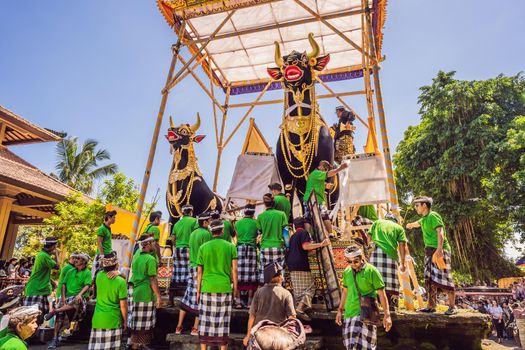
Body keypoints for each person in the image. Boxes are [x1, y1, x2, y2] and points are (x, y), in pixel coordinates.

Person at [406, 196, 457, 315]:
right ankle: (431, 306)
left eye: (417, 205)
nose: (415, 208)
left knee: (445, 277)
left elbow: (441, 232)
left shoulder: (433, 215)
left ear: (424, 205)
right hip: (429, 251)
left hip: (440, 250)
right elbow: (416, 224)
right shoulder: (423, 219)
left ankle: (452, 307)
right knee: (429, 279)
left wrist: (439, 249)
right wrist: (409, 225)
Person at [335, 245, 392, 350]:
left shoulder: (372, 271)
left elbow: (381, 293)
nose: (353, 264)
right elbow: (345, 291)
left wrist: (387, 315)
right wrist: (339, 310)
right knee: (351, 346)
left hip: (367, 313)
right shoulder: (347, 272)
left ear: (362, 257)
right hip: (350, 313)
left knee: (367, 347)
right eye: (350, 262)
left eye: (355, 261)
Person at [196, 219, 238, 350]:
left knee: (205, 322)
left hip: (207, 288)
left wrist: (198, 291)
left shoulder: (203, 248)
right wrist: (235, 289)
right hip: (224, 288)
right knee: (223, 323)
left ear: (210, 231)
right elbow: (234, 270)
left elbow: (199, 272)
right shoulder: (231, 246)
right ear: (223, 230)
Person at [243, 262, 297, 348]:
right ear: (280, 277)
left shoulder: (259, 292)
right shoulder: (286, 294)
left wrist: (248, 335)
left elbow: (252, 316)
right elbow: (292, 317)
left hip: (259, 334)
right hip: (279, 336)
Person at [287, 217, 330, 323]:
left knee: (299, 291)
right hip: (301, 264)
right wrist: (321, 244)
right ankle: (300, 308)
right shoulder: (304, 233)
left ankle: (299, 310)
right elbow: (306, 246)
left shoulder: (293, 236)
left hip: (292, 265)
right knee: (310, 288)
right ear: (305, 225)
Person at [176, 213, 212, 336]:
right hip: (201, 268)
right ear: (205, 222)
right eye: (209, 220)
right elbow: (207, 253)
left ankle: (179, 326)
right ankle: (195, 328)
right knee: (199, 296)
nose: (211, 222)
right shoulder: (206, 234)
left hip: (191, 267)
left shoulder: (193, 233)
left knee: (187, 296)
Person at [46, 253, 92, 349]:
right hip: (66, 297)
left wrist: (80, 294)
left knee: (76, 301)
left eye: (78, 259)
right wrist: (62, 298)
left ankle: (54, 311)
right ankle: (55, 339)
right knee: (60, 315)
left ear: (84, 261)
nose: (75, 260)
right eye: (75, 258)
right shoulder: (70, 270)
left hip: (78, 298)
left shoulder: (87, 272)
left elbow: (87, 285)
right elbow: (63, 285)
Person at [367, 213, 408, 310]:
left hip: (375, 253)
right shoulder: (398, 227)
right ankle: (391, 307)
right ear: (395, 221)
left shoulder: (377, 222)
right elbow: (402, 245)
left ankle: (373, 307)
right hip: (390, 256)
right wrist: (402, 262)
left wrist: (369, 252)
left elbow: (369, 237)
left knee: (374, 280)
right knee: (391, 281)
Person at [89, 252, 128, 350]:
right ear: (116, 264)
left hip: (98, 320)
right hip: (113, 321)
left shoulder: (99, 276)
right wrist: (125, 321)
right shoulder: (120, 282)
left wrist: (118, 273)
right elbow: (123, 306)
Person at [129, 237, 162, 349]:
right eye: (153, 243)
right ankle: (139, 345)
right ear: (147, 245)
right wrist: (158, 297)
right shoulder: (150, 259)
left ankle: (134, 344)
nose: (154, 244)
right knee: (144, 324)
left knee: (136, 323)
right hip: (145, 293)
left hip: (135, 292)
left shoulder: (136, 257)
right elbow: (153, 279)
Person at [303, 160, 347, 235]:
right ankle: (329, 234)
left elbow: (317, 184)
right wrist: (340, 168)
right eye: (325, 169)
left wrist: (326, 185)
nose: (325, 171)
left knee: (311, 218)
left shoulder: (314, 174)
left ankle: (327, 234)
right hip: (313, 199)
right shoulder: (317, 173)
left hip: (312, 199)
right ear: (322, 167)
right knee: (319, 217)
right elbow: (329, 174)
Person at [23, 237, 59, 320]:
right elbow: (57, 266)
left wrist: (52, 281)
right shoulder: (44, 256)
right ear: (53, 247)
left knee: (39, 317)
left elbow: (41, 272)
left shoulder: (42, 255)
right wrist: (56, 254)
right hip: (37, 290)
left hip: (41, 290)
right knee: (33, 318)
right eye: (55, 247)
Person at [169, 205, 198, 306]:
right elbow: (196, 234)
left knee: (176, 273)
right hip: (190, 250)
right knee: (190, 273)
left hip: (178, 250)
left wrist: (176, 246)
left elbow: (173, 238)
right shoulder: (195, 221)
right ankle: (189, 299)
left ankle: (170, 300)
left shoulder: (177, 223)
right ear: (191, 212)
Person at [256, 194, 288, 284]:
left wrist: (258, 245)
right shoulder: (282, 214)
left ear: (264, 204)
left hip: (265, 248)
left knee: (265, 276)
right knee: (279, 274)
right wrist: (288, 246)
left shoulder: (260, 216)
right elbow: (285, 233)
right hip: (278, 247)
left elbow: (258, 233)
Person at [234, 205, 259, 309]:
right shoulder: (256, 223)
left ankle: (239, 302)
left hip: (239, 249)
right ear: (253, 213)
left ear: (244, 212)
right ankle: (249, 302)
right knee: (251, 276)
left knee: (239, 276)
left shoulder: (237, 223)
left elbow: (235, 235)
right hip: (251, 250)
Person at [93, 210, 117, 277]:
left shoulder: (108, 228)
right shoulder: (102, 228)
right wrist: (102, 256)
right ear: (109, 217)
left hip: (108, 254)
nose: (115, 219)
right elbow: (99, 243)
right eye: (114, 217)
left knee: (108, 274)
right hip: (103, 255)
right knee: (98, 273)